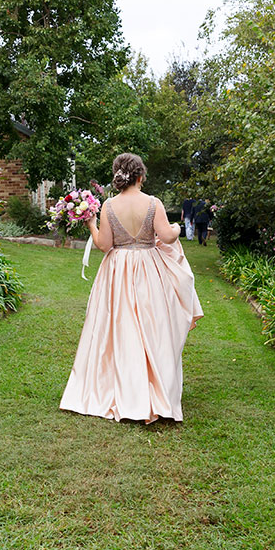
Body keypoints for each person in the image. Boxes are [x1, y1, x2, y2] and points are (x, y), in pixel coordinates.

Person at [60, 153, 204, 423]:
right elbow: (168, 235)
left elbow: (104, 245)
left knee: (119, 328)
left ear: (119, 176)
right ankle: (155, 391)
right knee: (153, 327)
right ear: (140, 176)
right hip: (148, 268)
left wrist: (91, 224)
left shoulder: (108, 206)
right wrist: (175, 226)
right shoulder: (153, 203)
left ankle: (122, 386)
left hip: (117, 271)